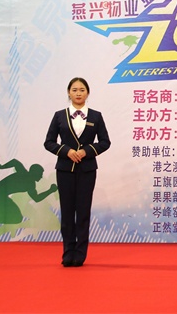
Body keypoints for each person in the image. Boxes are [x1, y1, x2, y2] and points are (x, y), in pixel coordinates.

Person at [44, 77, 111, 267]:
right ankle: (68, 252)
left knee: (83, 212)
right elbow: (49, 142)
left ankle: (80, 253)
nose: (78, 93)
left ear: (87, 93)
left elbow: (105, 142)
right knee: (67, 212)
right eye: (74, 90)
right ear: (69, 93)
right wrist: (66, 151)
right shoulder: (59, 116)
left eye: (82, 90)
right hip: (65, 169)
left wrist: (86, 151)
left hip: (87, 170)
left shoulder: (96, 116)